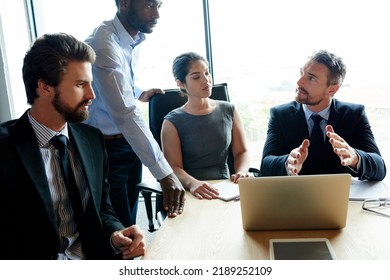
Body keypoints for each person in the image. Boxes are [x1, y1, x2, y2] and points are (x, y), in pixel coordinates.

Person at [0, 33, 145, 260]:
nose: (92, 95)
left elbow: (102, 208)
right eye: (80, 85)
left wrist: (115, 234)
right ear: (45, 87)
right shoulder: (5, 149)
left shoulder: (92, 140)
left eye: (90, 83)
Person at [84, 0, 185, 227]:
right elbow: (125, 113)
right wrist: (165, 173)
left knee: (131, 221)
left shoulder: (131, 38)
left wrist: (139, 92)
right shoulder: (104, 44)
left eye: (159, 5)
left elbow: (118, 82)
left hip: (127, 143)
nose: (157, 13)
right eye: (149, 5)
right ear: (125, 4)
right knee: (119, 228)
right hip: (105, 149)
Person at [260, 49, 386, 181]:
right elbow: (266, 165)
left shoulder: (354, 114)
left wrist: (356, 158)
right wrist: (287, 163)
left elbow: (379, 168)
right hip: (296, 198)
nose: (299, 82)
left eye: (311, 78)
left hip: (342, 199)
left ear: (332, 89)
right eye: (301, 73)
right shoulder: (280, 115)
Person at [161, 52, 251, 200]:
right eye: (196, 77)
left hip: (228, 188)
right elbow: (173, 167)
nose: (206, 80)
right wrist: (193, 184)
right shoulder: (171, 121)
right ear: (181, 83)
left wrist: (242, 172)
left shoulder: (229, 110)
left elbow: (241, 152)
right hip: (192, 191)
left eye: (207, 73)